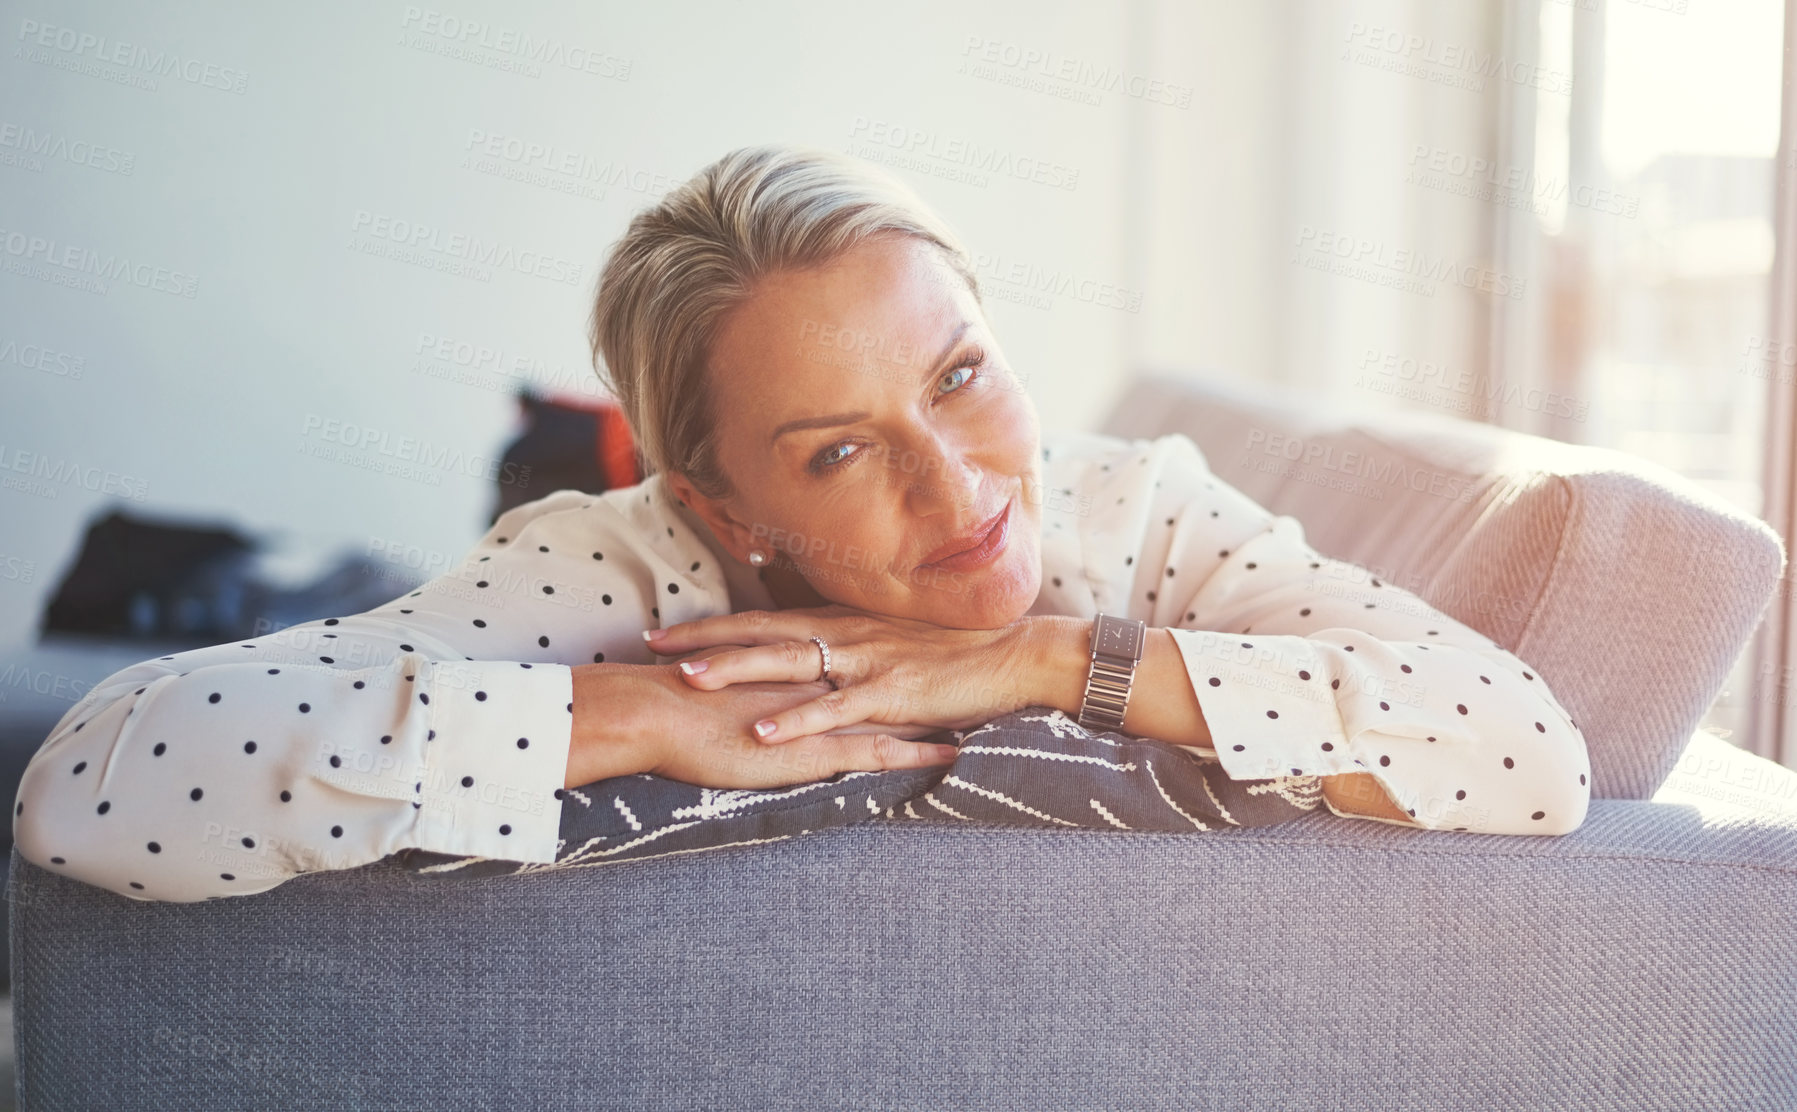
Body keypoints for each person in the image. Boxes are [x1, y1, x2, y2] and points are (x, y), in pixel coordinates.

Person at [12, 144, 1592, 903]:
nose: (963, 490)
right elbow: (88, 788)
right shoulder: (621, 556)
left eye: (962, 376)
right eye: (840, 452)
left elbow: (1527, 755)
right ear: (716, 502)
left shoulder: (1132, 504)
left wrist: (1044, 663)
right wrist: (625, 715)